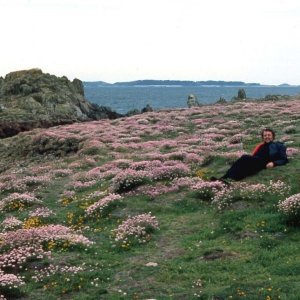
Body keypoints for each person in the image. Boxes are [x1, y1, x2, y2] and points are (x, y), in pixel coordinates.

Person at [212, 128, 288, 182]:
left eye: (269, 135)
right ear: (263, 137)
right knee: (242, 163)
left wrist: (273, 163)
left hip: (263, 163)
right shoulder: (260, 146)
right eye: (265, 135)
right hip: (255, 160)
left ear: (273, 136)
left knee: (244, 158)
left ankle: (228, 178)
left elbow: (284, 159)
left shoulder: (279, 145)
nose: (267, 137)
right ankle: (225, 178)